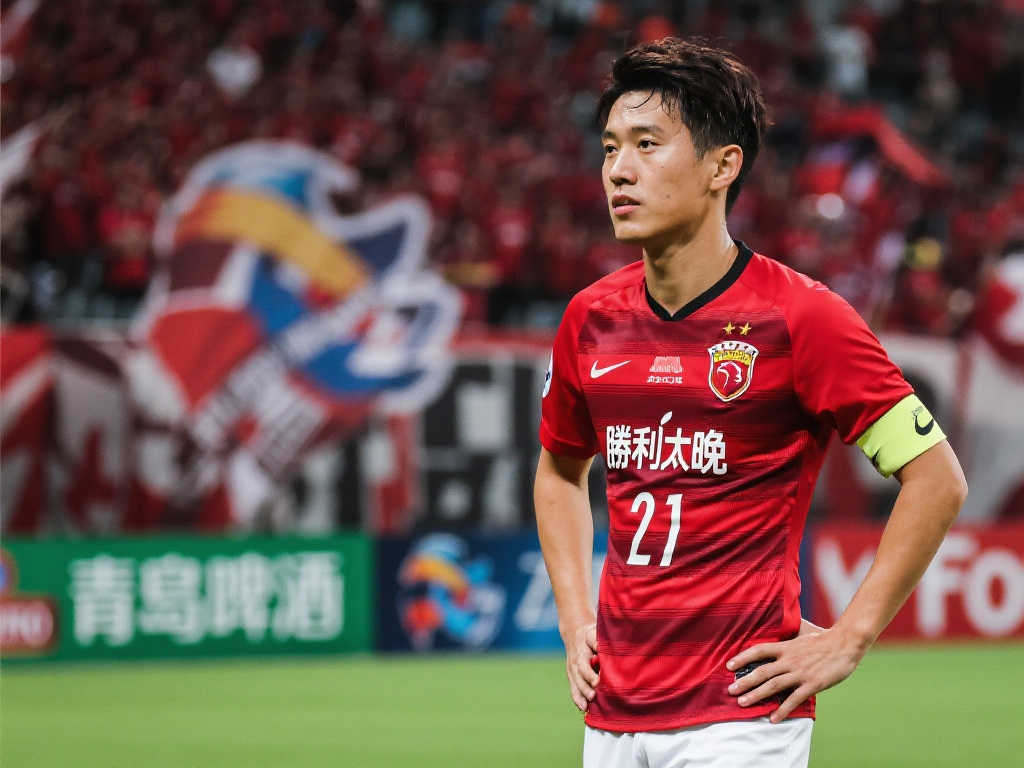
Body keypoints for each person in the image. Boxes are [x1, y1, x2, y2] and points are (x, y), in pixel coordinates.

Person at [533, 37, 968, 768]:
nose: (619, 170)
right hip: (611, 715)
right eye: (610, 148)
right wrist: (575, 618)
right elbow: (558, 472)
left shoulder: (803, 317)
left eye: (647, 144)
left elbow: (937, 478)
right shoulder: (590, 318)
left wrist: (850, 636)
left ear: (722, 166)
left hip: (738, 716)